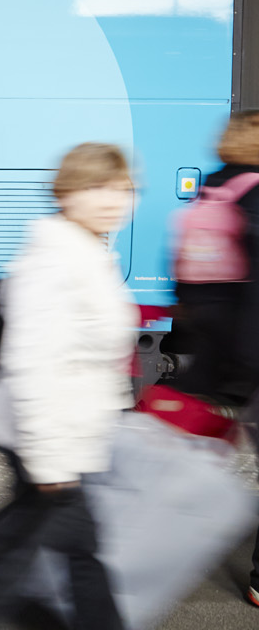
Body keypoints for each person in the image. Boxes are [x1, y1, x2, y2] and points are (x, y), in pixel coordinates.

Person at [0, 143, 136, 630]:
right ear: (67, 193)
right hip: (51, 440)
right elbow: (31, 361)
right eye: (97, 187)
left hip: (68, 437)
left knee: (62, 551)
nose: (113, 199)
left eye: (122, 188)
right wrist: (50, 457)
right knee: (31, 559)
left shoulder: (89, 251)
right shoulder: (55, 258)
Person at [166, 112, 259, 606]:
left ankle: (164, 546)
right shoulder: (256, 196)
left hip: (210, 354)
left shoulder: (214, 190)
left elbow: (184, 278)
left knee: (196, 463)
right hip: (249, 357)